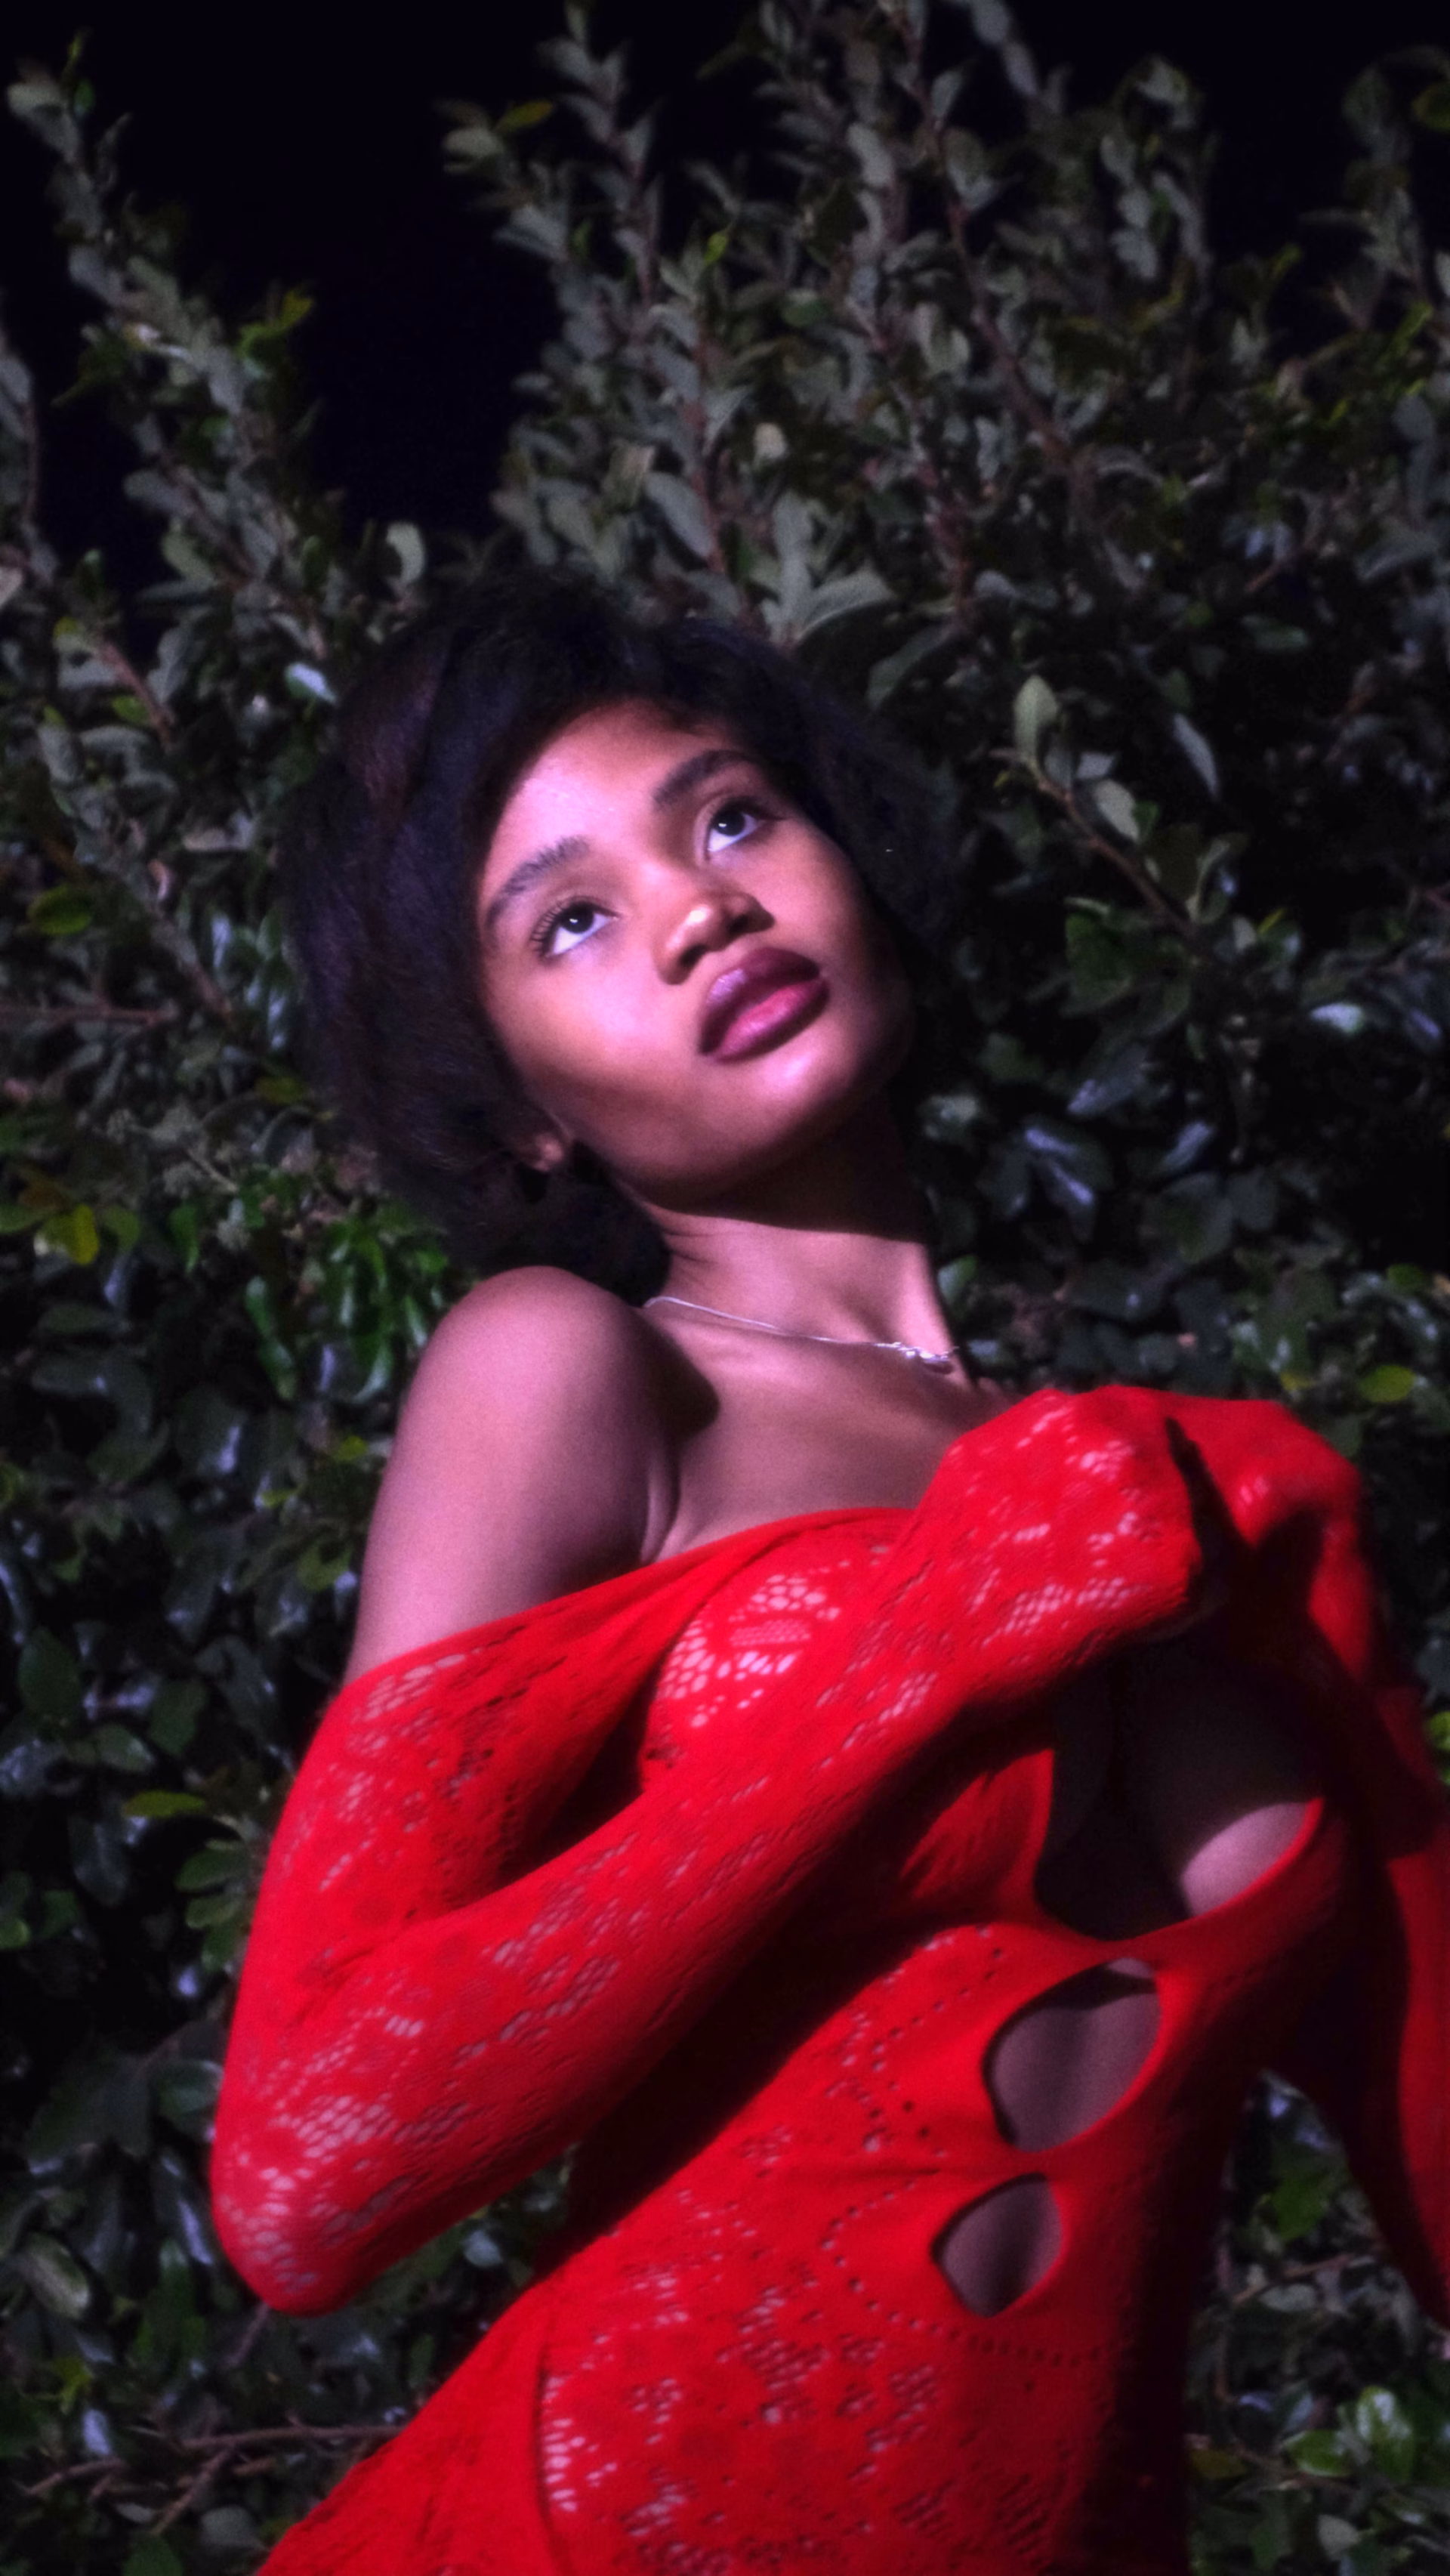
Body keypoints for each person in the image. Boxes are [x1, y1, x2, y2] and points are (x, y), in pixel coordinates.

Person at [211, 573, 1449, 2575]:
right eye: (571, 919)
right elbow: (301, 2174)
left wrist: (1322, 1635)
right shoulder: (576, 1376)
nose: (701, 909)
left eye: (728, 819)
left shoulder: (1194, 1505)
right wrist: (923, 1660)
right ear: (521, 1110)